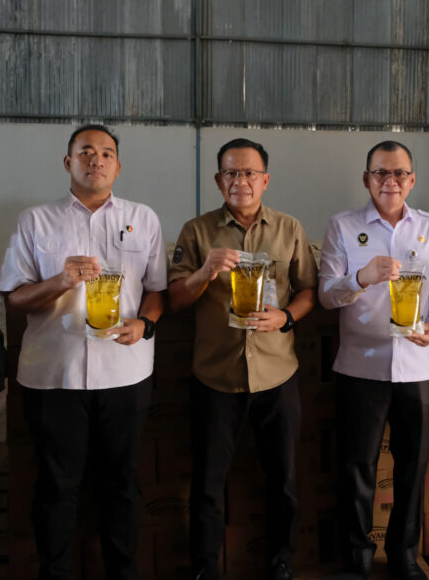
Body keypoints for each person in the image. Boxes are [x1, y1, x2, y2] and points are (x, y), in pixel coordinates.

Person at [0, 125, 167, 579]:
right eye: (86, 151)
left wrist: (145, 323)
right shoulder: (36, 221)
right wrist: (60, 281)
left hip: (125, 373)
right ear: (68, 162)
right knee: (57, 486)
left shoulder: (143, 218)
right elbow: (15, 298)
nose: (97, 159)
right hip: (55, 375)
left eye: (107, 153)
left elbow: (156, 290)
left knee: (121, 484)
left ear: (118, 166)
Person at [167, 138, 318, 580]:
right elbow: (176, 298)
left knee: (282, 479)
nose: (240, 181)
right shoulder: (196, 232)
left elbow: (309, 290)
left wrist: (286, 317)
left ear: (265, 180)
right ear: (219, 180)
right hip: (216, 377)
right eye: (231, 173)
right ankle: (204, 567)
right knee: (208, 482)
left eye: (249, 173)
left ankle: (281, 561)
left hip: (277, 374)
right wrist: (205, 271)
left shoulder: (289, 228)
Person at [318, 141, 429, 579]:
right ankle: (357, 558)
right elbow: (326, 295)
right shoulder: (342, 226)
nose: (390, 181)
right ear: (366, 179)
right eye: (380, 173)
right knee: (356, 467)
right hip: (360, 367)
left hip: (418, 368)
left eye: (399, 173)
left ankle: (404, 555)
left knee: (413, 468)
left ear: (412, 180)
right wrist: (362, 277)